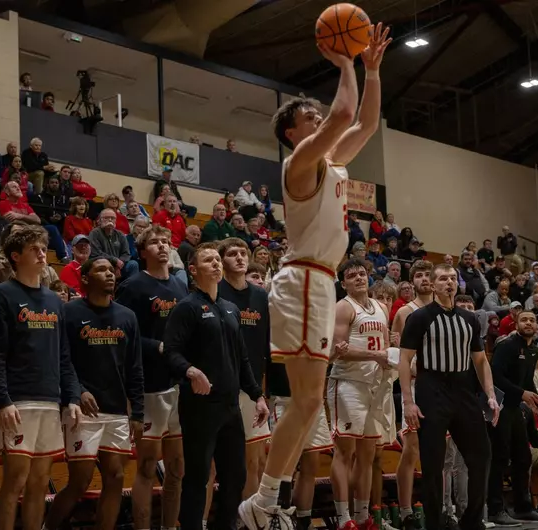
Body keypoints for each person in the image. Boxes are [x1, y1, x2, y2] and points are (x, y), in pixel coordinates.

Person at [239, 23, 392, 530]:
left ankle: (264, 503)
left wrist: (371, 70)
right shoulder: (300, 162)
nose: (320, 116)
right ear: (292, 132)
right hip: (303, 281)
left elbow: (364, 125)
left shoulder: (330, 162)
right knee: (304, 401)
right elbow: (345, 113)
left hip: (317, 284)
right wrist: (346, 60)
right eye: (310, 115)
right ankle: (262, 502)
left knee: (306, 405)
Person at [0, 225, 82, 530]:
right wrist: (2, 400)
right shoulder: (1, 295)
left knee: (41, 481)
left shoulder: (54, 301)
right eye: (34, 250)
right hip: (17, 401)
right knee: (16, 480)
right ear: (15, 256)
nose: (42, 254)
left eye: (43, 248)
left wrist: (72, 396)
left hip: (50, 400)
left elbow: (64, 354)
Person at [164, 243, 268, 530]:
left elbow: (243, 358)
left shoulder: (230, 309)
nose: (216, 264)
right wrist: (190, 370)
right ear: (193, 270)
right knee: (198, 476)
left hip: (230, 406)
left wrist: (257, 395)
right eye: (208, 260)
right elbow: (171, 352)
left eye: (216, 260)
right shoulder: (186, 308)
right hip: (200, 407)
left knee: (236, 475)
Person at [45, 257, 144, 530]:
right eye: (101, 270)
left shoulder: (127, 316)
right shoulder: (69, 312)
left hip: (116, 410)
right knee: (81, 481)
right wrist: (78, 391)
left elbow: (135, 367)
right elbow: (62, 359)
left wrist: (137, 411)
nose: (110, 274)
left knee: (116, 476)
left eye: (112, 270)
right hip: (82, 409)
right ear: (85, 279)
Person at [398, 263, 498, 530]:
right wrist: (408, 401)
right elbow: (405, 359)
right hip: (431, 389)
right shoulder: (419, 317)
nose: (449, 283)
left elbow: (480, 360)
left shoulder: (470, 319)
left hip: (464, 390)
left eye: (453, 278)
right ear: (432, 284)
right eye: (443, 279)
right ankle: (435, 523)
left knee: (482, 455)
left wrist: (490, 394)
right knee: (432, 463)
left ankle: (471, 521)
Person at [114, 225, 188, 530]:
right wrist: (156, 345)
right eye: (155, 242)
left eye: (166, 242)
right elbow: (121, 335)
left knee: (177, 467)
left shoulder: (181, 288)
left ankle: (170, 526)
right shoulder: (132, 287)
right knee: (146, 466)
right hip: (148, 388)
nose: (162, 246)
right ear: (142, 252)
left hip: (178, 387)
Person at [328, 258, 393, 528]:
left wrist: (388, 359)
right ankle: (343, 518)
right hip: (348, 383)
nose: (358, 278)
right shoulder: (343, 307)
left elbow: (386, 349)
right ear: (343, 283)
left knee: (368, 455)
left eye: (362, 273)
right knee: (345, 452)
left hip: (375, 385)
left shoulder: (381, 306)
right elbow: (336, 350)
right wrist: (374, 355)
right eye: (352, 275)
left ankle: (362, 516)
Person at [488, 311, 538, 524]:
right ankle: (495, 510)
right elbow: (495, 377)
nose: (528, 323)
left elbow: (528, 383)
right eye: (524, 320)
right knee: (499, 459)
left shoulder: (534, 350)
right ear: (516, 324)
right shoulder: (506, 345)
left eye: (532, 320)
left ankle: (523, 507)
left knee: (523, 458)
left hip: (516, 408)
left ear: (537, 326)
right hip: (498, 408)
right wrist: (522, 394)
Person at [217, 238, 271, 500]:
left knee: (255, 462)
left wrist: (263, 391)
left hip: (252, 389)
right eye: (232, 254)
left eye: (243, 253)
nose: (239, 258)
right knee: (217, 466)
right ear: (221, 260)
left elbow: (265, 346)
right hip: (220, 387)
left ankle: (248, 519)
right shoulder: (214, 291)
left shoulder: (261, 296)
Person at [388, 261, 433, 528]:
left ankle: (436, 507)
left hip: (441, 386)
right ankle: (405, 511)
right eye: (419, 275)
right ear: (411, 281)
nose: (425, 279)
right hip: (416, 385)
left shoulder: (444, 310)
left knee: (439, 452)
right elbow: (395, 353)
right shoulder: (405, 312)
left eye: (429, 274)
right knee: (412, 448)